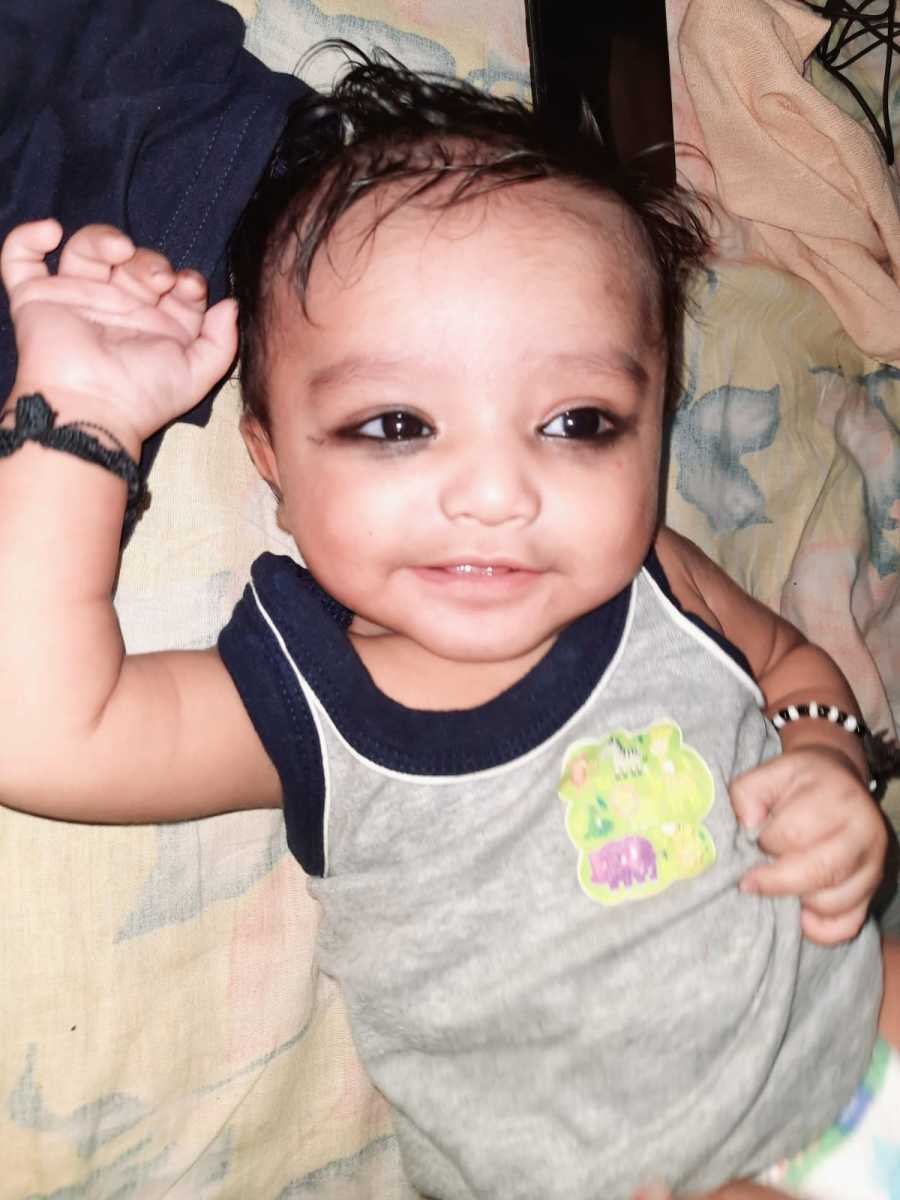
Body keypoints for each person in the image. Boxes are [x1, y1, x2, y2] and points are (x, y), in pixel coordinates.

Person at [0, 53, 897, 1200]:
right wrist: (80, 420)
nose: (495, 492)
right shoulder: (312, 703)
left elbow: (790, 664)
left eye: (578, 422)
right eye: (397, 424)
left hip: (858, 1045)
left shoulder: (654, 580)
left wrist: (826, 755)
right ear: (271, 462)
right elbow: (42, 730)